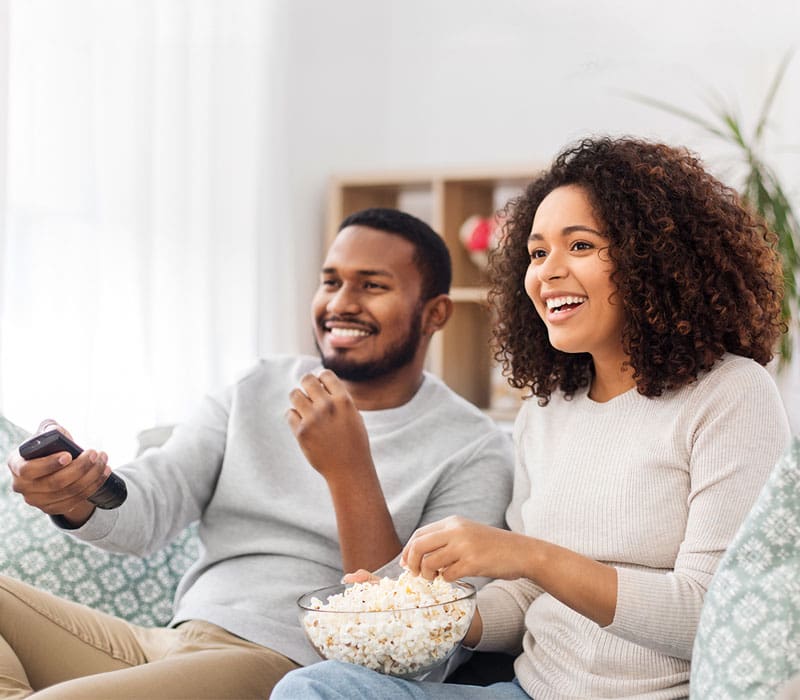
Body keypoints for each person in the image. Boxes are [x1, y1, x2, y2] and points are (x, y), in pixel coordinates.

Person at [271, 137, 793, 699]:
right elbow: (524, 602)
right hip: (527, 693)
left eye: (581, 245)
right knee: (315, 689)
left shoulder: (731, 395)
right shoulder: (546, 411)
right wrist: (419, 610)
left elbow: (711, 616)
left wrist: (529, 556)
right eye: (538, 252)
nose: (548, 273)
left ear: (655, 260)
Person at [0, 207, 514, 699]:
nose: (341, 303)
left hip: (286, 667)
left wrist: (348, 470)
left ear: (435, 314)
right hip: (170, 643)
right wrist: (78, 493)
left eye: (372, 285)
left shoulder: (475, 450)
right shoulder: (258, 387)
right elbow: (153, 501)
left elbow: (409, 644)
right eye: (331, 281)